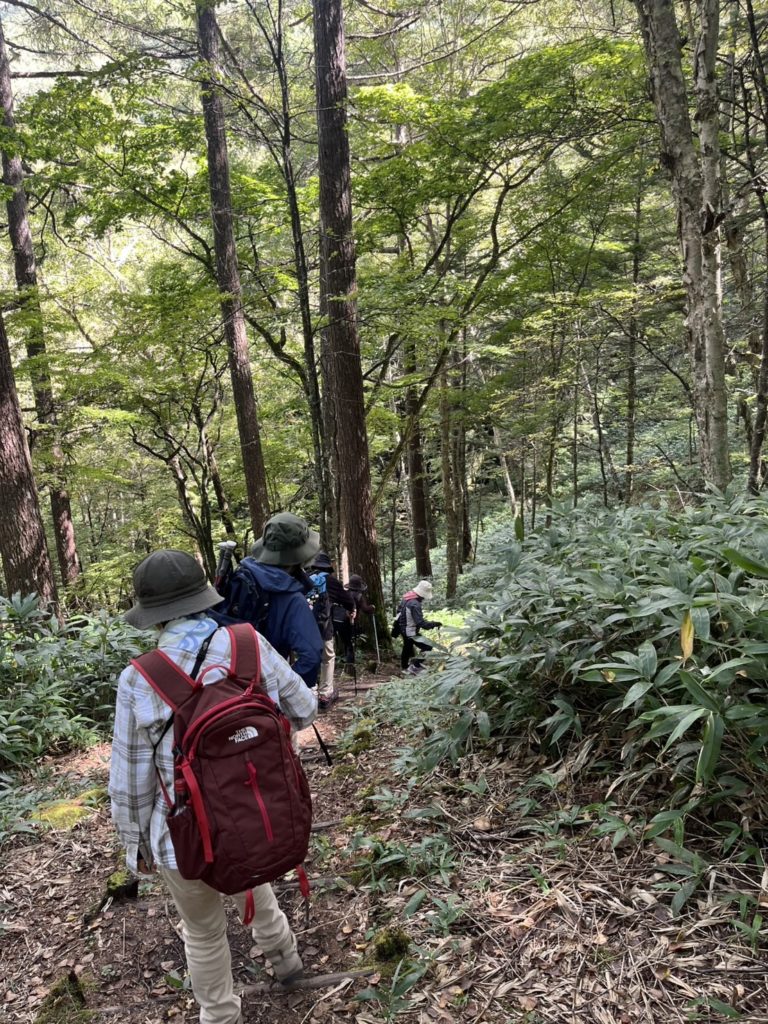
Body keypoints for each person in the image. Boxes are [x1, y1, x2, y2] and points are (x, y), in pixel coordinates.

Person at [109, 549, 318, 1024]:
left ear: (151, 612)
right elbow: (305, 709)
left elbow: (130, 784)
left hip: (182, 836)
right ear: (204, 594)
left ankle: (221, 1016)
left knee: (203, 933)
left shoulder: (139, 678)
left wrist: (136, 847)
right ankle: (286, 959)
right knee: (248, 870)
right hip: (251, 810)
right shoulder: (248, 643)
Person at [246, 512, 324, 688]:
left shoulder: (240, 578)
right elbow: (311, 655)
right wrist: (287, 692)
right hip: (261, 696)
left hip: (221, 692)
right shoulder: (291, 598)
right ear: (300, 555)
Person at [306, 551, 355, 709]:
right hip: (324, 627)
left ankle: (309, 692)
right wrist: (352, 609)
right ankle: (325, 693)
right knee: (328, 657)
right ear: (328, 567)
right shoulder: (331, 581)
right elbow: (347, 600)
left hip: (303, 628)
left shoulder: (305, 578)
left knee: (308, 657)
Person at [397, 579, 442, 674]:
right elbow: (421, 623)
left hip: (403, 628)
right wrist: (434, 624)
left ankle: (405, 667)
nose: (424, 599)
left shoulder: (407, 597)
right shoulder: (415, 604)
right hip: (410, 630)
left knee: (407, 648)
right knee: (428, 646)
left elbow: (399, 612)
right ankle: (414, 666)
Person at [344, 574, 375, 665]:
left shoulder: (345, 593)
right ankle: (350, 663)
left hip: (341, 620)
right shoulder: (359, 596)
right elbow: (365, 609)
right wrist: (372, 607)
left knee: (346, 640)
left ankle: (346, 660)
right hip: (352, 621)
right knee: (351, 641)